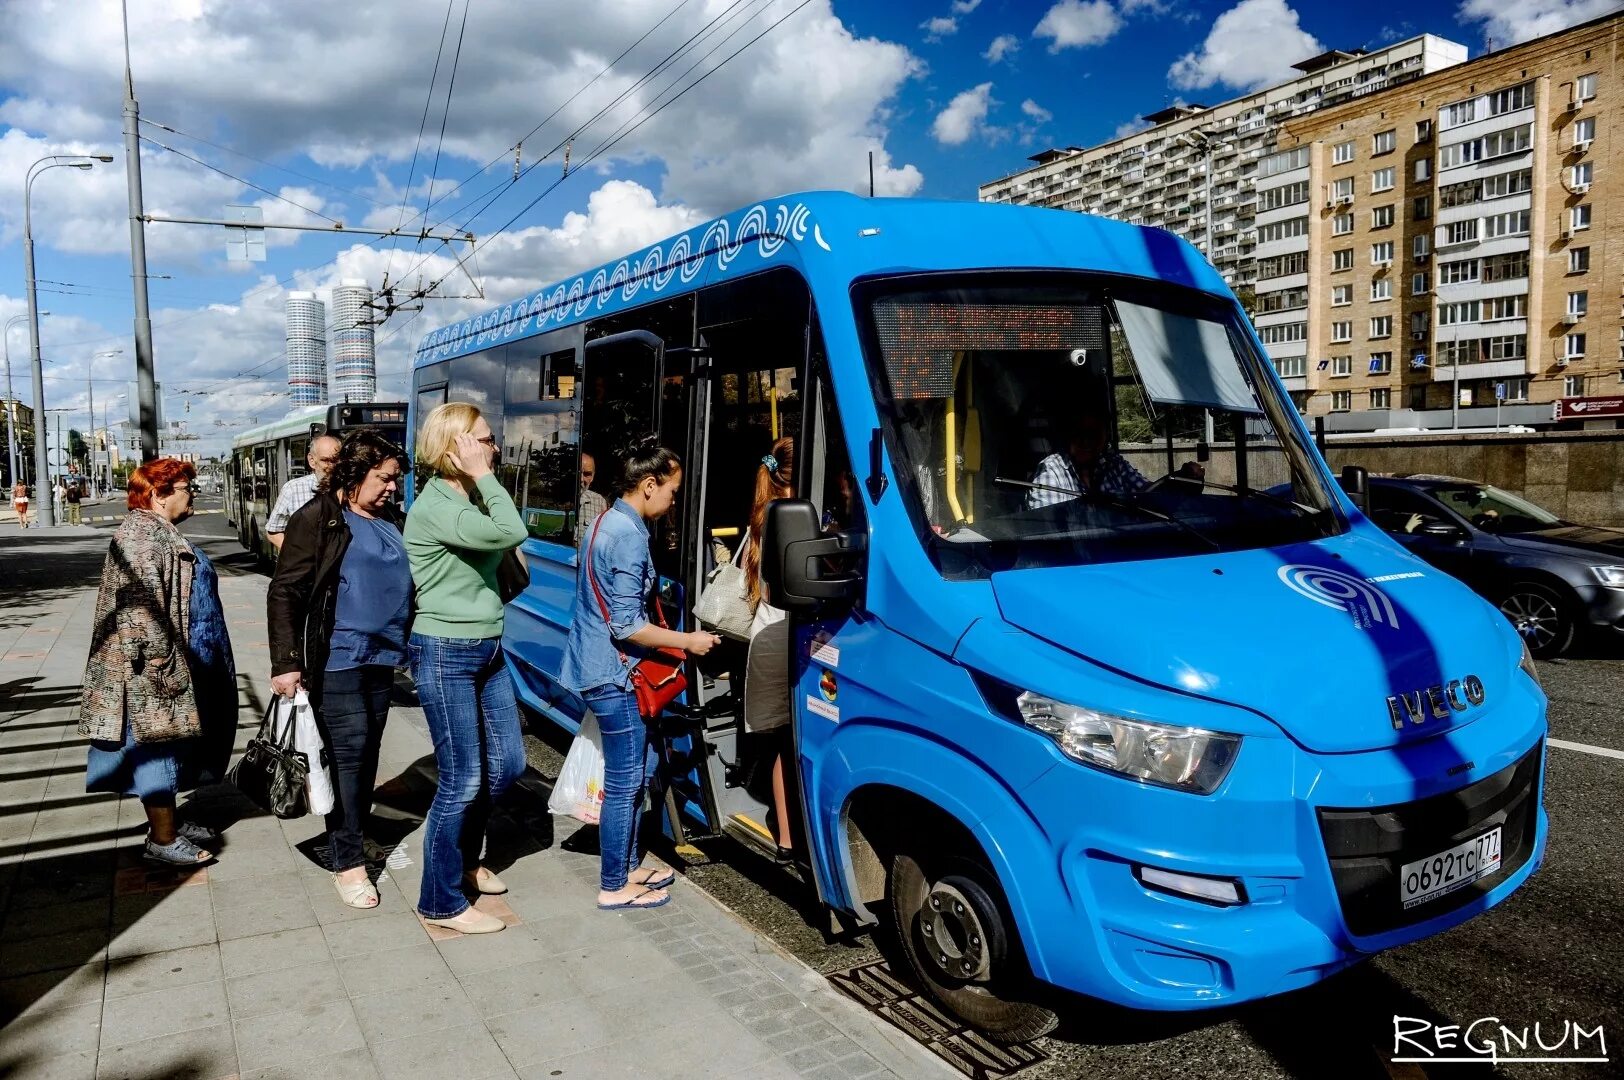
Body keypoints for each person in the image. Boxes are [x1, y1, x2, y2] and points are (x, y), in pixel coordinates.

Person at [561, 437, 720, 910]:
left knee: (638, 768)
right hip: (616, 675)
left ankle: (628, 865)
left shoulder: (606, 520)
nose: (674, 501)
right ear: (648, 485)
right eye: (671, 491)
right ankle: (614, 884)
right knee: (627, 780)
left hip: (598, 668)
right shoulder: (628, 536)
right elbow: (628, 624)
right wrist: (689, 642)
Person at [267, 429, 409, 909]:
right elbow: (285, 590)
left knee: (367, 756)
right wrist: (286, 662)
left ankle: (353, 834)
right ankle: (347, 862)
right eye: (384, 478)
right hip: (340, 658)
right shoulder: (320, 517)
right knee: (348, 759)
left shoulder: (391, 518)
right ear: (356, 473)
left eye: (395, 479)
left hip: (384, 658)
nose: (393, 487)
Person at [404, 403, 528, 934]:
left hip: (485, 645)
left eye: (490, 440)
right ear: (454, 447)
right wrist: (485, 476)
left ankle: (464, 861)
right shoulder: (437, 505)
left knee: (510, 764)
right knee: (462, 780)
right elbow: (511, 532)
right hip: (446, 648)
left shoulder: (467, 496)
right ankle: (441, 902)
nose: (492, 448)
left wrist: (481, 480)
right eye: (482, 440)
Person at [81, 459, 236, 866]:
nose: (194, 494)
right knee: (158, 750)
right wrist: (162, 666)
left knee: (178, 746)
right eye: (187, 487)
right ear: (158, 492)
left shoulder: (160, 531)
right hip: (155, 671)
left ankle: (168, 824)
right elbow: (138, 609)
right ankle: (163, 841)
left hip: (185, 660)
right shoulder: (141, 535)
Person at [741, 438, 796, 859]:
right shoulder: (796, 516)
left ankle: (786, 834)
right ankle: (791, 832)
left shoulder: (764, 510)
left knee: (779, 739)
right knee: (792, 737)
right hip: (784, 632)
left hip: (766, 631)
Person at [266, 434, 341, 550]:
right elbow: (274, 531)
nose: (331, 466)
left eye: (336, 460)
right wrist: (296, 557)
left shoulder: (350, 488)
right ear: (312, 460)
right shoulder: (293, 489)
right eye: (326, 460)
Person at [578, 450, 608, 539]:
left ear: (593, 477)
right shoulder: (559, 498)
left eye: (587, 474)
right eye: (579, 472)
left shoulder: (599, 502)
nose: (581, 479)